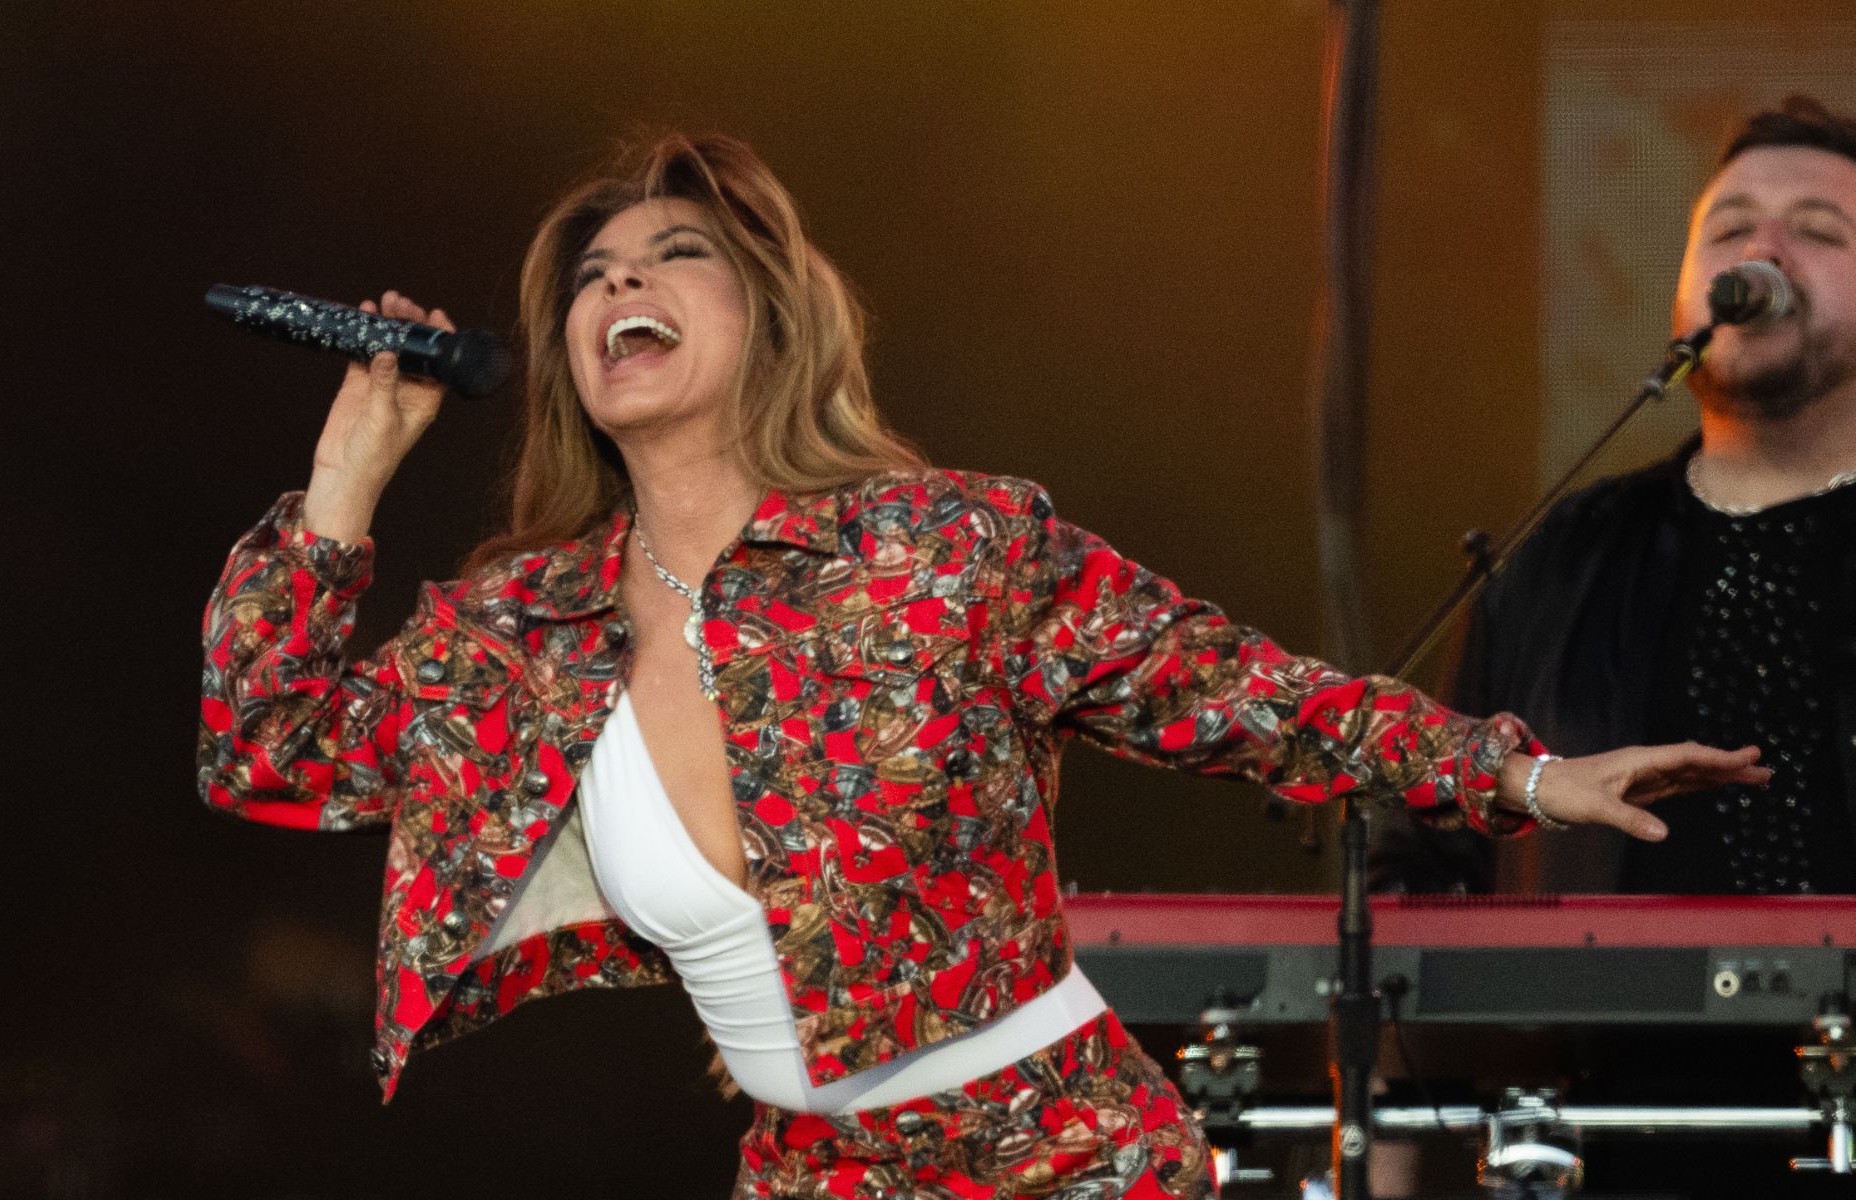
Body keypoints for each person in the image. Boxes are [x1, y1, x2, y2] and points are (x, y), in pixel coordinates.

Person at [197, 133, 1767, 1198]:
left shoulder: (945, 549)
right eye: (594, 274)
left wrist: (1518, 768)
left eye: (673, 256)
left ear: (772, 313)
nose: (620, 286)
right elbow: (265, 753)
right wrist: (351, 472)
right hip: (808, 1171)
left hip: (1063, 1152)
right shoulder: (522, 637)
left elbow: (1233, 689)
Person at [1367, 95, 1856, 1197]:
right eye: (1728, 226)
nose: (1762, 248)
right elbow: (1417, 887)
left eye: (1818, 231)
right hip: (1602, 1153)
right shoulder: (1552, 562)